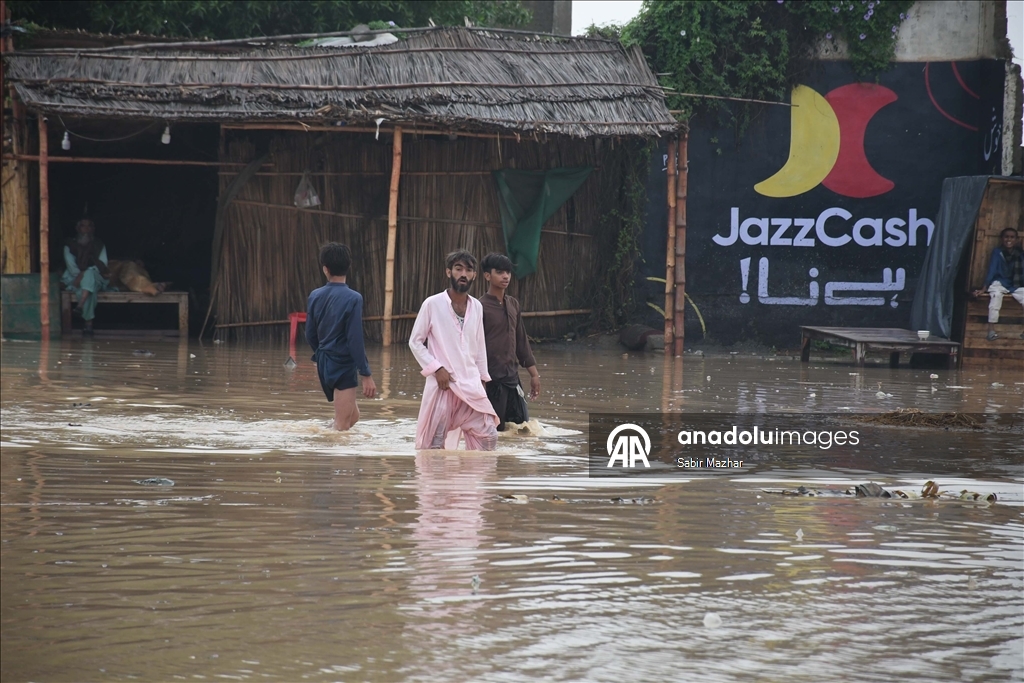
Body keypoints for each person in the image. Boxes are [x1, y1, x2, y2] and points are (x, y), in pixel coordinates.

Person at [409, 250, 499, 450]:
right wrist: (436, 369)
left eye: (468, 270)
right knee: (433, 444)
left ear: (474, 275)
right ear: (449, 272)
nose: (463, 274)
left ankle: (471, 472)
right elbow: (415, 342)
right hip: (444, 384)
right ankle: (437, 473)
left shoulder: (477, 307)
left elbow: (480, 346)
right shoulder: (432, 304)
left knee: (489, 437)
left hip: (471, 385)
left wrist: (482, 379)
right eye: (458, 269)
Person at [306, 242, 376, 430]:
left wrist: (320, 355)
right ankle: (323, 445)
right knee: (343, 425)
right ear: (348, 266)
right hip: (343, 364)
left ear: (325, 269)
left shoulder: (315, 295)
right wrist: (366, 373)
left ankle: (318, 434)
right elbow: (354, 339)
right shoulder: (353, 298)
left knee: (353, 416)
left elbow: (310, 333)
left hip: (324, 362)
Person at [478, 252, 541, 430]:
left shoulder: (513, 304)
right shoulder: (479, 307)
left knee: (523, 428)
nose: (505, 276)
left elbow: (522, 342)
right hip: (491, 381)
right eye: (499, 272)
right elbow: (471, 347)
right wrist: (478, 382)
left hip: (513, 379)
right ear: (487, 276)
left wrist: (534, 375)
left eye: (508, 272)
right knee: (493, 430)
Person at [61, 218, 113, 335]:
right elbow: (72, 268)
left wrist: (85, 272)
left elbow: (103, 264)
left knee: (90, 276)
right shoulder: (69, 245)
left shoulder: (99, 245)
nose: (86, 229)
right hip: (74, 278)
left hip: (97, 276)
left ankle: (81, 306)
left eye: (89, 226)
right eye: (83, 226)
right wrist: (83, 273)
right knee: (90, 288)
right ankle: (88, 324)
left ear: (93, 229)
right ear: (77, 228)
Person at [973, 227, 1024, 341]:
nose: (1009, 240)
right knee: (995, 298)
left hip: (1014, 284)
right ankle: (991, 330)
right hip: (1000, 282)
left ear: (1016, 239)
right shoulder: (997, 252)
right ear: (1002, 239)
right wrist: (984, 288)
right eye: (1006, 237)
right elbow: (992, 270)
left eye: (1012, 237)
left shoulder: (1020, 253)